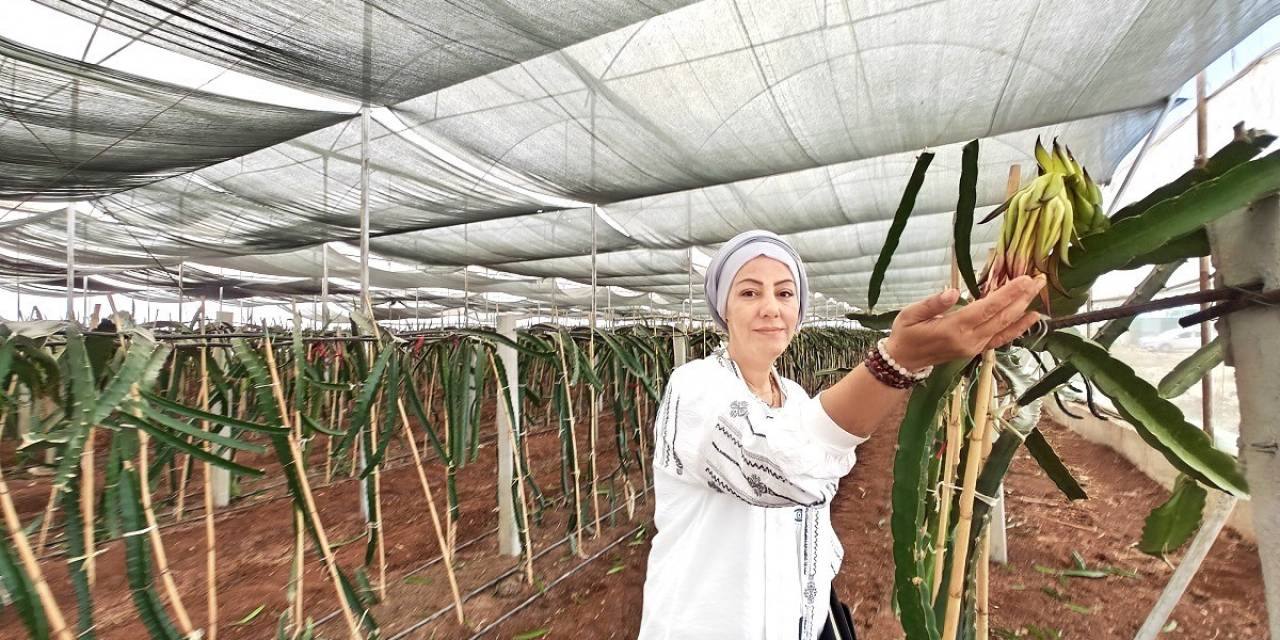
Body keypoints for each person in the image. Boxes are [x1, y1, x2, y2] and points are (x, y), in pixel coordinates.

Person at [637, 230, 1045, 640]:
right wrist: (896, 363)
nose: (770, 309)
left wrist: (820, 574)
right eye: (748, 293)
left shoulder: (794, 397)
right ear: (723, 308)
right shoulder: (693, 387)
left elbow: (816, 493)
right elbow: (776, 469)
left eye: (784, 293)